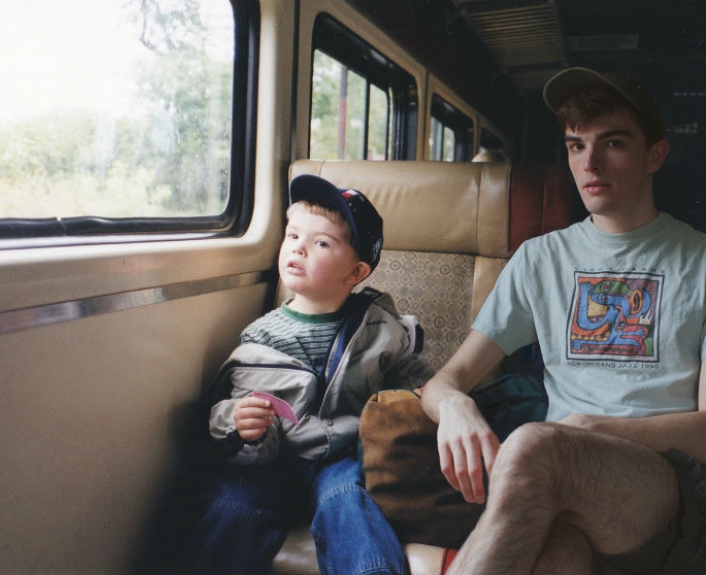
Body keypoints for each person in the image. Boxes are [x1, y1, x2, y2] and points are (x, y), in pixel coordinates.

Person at [421, 66, 706, 574]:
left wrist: (587, 428)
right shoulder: (539, 259)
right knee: (554, 555)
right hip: (554, 483)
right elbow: (445, 381)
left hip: (663, 485)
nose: (590, 163)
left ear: (655, 155)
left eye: (613, 143)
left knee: (535, 444)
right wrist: (456, 406)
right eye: (576, 146)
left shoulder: (700, 261)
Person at [185, 174, 434, 574]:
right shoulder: (260, 338)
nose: (298, 247)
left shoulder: (379, 327)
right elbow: (225, 411)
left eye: (321, 243)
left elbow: (408, 371)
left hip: (344, 456)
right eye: (292, 235)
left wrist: (422, 392)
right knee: (230, 507)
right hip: (273, 463)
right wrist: (239, 423)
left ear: (354, 273)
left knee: (349, 501)